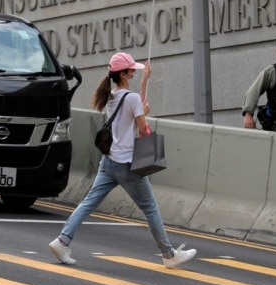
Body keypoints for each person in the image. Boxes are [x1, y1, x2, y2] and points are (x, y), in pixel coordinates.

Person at [49, 52, 197, 268]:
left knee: (88, 203)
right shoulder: (132, 99)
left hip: (108, 162)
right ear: (125, 73)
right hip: (128, 164)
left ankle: (62, 241)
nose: (134, 72)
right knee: (151, 208)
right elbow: (142, 127)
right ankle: (168, 254)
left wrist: (145, 80)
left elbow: (134, 105)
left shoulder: (110, 96)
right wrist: (145, 115)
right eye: (132, 70)